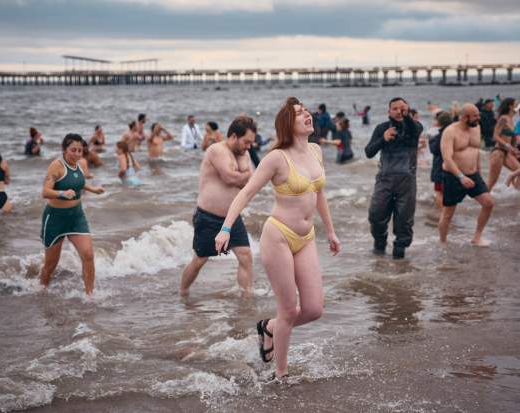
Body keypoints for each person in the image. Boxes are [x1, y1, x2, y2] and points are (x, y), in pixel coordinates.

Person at [215, 97, 341, 381]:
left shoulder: (316, 151)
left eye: (307, 111)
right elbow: (245, 193)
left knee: (313, 309)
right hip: (279, 236)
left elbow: (318, 194)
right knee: (288, 310)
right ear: (288, 123)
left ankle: (269, 327)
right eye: (300, 114)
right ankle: (281, 375)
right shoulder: (276, 158)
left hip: (306, 237)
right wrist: (225, 228)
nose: (307, 115)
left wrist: (330, 231)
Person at [181, 116, 257, 298]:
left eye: (251, 143)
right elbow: (230, 178)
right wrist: (244, 174)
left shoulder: (243, 153)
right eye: (246, 141)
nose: (249, 147)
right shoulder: (216, 150)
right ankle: (183, 292)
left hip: (232, 217)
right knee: (200, 260)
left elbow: (251, 181)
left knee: (245, 255)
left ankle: (246, 298)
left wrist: (244, 175)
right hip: (208, 217)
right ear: (233, 136)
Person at [39, 134, 105, 295]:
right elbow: (45, 192)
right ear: (64, 149)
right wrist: (61, 193)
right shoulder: (56, 165)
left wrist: (92, 189)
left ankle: (90, 295)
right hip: (55, 218)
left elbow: (78, 183)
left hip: (76, 216)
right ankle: (41, 291)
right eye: (73, 150)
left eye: (80, 150)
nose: (76, 154)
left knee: (88, 255)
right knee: (51, 264)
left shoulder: (79, 163)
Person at [365, 97, 422, 259]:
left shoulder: (414, 127)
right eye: (395, 109)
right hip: (384, 179)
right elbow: (368, 152)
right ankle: (379, 246)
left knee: (404, 222)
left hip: (407, 181)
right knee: (375, 216)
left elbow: (414, 130)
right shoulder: (381, 128)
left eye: (403, 108)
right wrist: (382, 139)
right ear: (388, 112)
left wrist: (407, 117)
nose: (399, 111)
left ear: (408, 110)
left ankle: (399, 256)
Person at [439, 104, 494, 246]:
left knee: (488, 203)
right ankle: (443, 243)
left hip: (473, 175)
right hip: (453, 176)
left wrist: (479, 174)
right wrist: (461, 177)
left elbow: (475, 152)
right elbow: (447, 158)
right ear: (464, 117)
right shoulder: (450, 131)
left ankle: (477, 237)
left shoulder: (476, 127)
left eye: (478, 115)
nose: (478, 118)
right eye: (475, 115)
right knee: (448, 214)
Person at [486, 97, 520, 191]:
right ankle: (481, 201)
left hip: (507, 153)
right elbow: (495, 136)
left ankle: (517, 195)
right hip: (498, 152)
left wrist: (515, 150)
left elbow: (512, 139)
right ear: (510, 106)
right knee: (491, 183)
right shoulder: (503, 118)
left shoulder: (511, 120)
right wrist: (507, 145)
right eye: (516, 104)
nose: (518, 106)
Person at [428, 111, 453, 210]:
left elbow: (434, 150)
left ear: (439, 122)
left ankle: (442, 214)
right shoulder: (454, 133)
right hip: (453, 167)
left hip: (440, 167)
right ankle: (448, 213)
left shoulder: (439, 135)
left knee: (439, 192)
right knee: (449, 192)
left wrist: (430, 139)